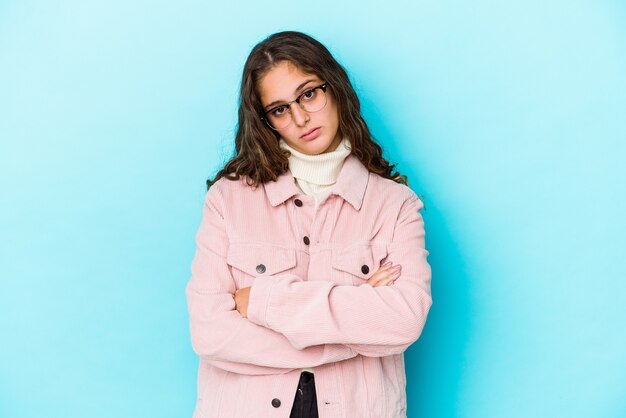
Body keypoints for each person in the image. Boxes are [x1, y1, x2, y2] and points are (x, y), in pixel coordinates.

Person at [185, 30, 432, 418]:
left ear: (333, 88)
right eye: (280, 109)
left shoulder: (394, 204)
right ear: (265, 121)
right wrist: (352, 334)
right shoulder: (227, 201)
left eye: (308, 94)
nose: (300, 117)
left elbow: (403, 320)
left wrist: (265, 302)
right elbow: (210, 334)